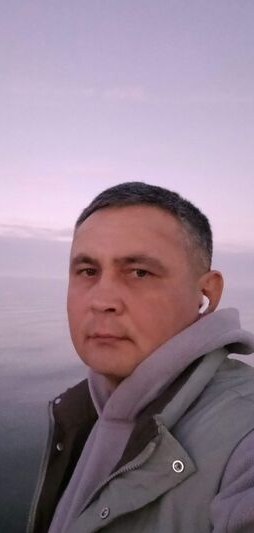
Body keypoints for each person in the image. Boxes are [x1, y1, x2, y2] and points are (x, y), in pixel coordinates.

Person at [26, 182, 254, 533]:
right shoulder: (85, 408)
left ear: (206, 293)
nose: (102, 300)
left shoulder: (244, 434)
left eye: (139, 272)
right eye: (88, 271)